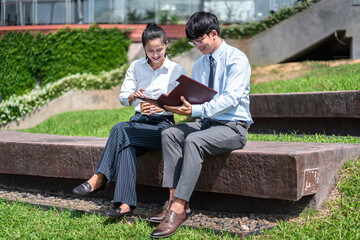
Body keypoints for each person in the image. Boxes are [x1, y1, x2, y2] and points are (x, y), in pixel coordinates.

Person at [149, 11, 253, 238]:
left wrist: (194, 110)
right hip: (206, 122)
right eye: (192, 42)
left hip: (233, 126)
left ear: (213, 33)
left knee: (193, 140)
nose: (196, 45)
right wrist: (175, 104)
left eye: (199, 40)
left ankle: (179, 208)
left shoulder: (237, 59)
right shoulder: (200, 64)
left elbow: (230, 100)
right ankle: (172, 198)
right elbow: (198, 98)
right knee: (170, 133)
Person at [72, 23, 185, 219]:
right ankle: (125, 204)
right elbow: (123, 97)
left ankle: (99, 177)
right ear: (144, 49)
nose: (156, 54)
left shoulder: (176, 70)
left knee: (120, 129)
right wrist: (133, 96)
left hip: (162, 128)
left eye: (159, 49)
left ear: (167, 45)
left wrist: (163, 107)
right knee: (126, 147)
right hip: (139, 123)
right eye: (150, 51)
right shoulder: (136, 67)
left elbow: (184, 103)